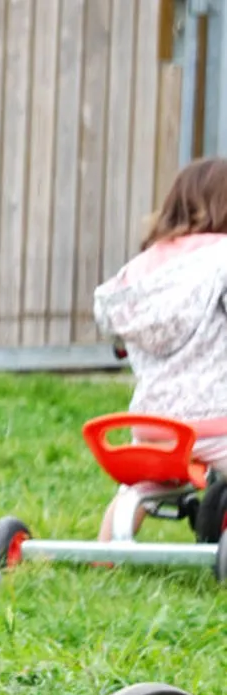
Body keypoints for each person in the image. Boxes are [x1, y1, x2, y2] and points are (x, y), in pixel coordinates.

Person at [93, 156, 227, 540]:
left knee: (138, 491)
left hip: (154, 427)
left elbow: (115, 323)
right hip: (216, 424)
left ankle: (105, 554)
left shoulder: (144, 266)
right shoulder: (222, 259)